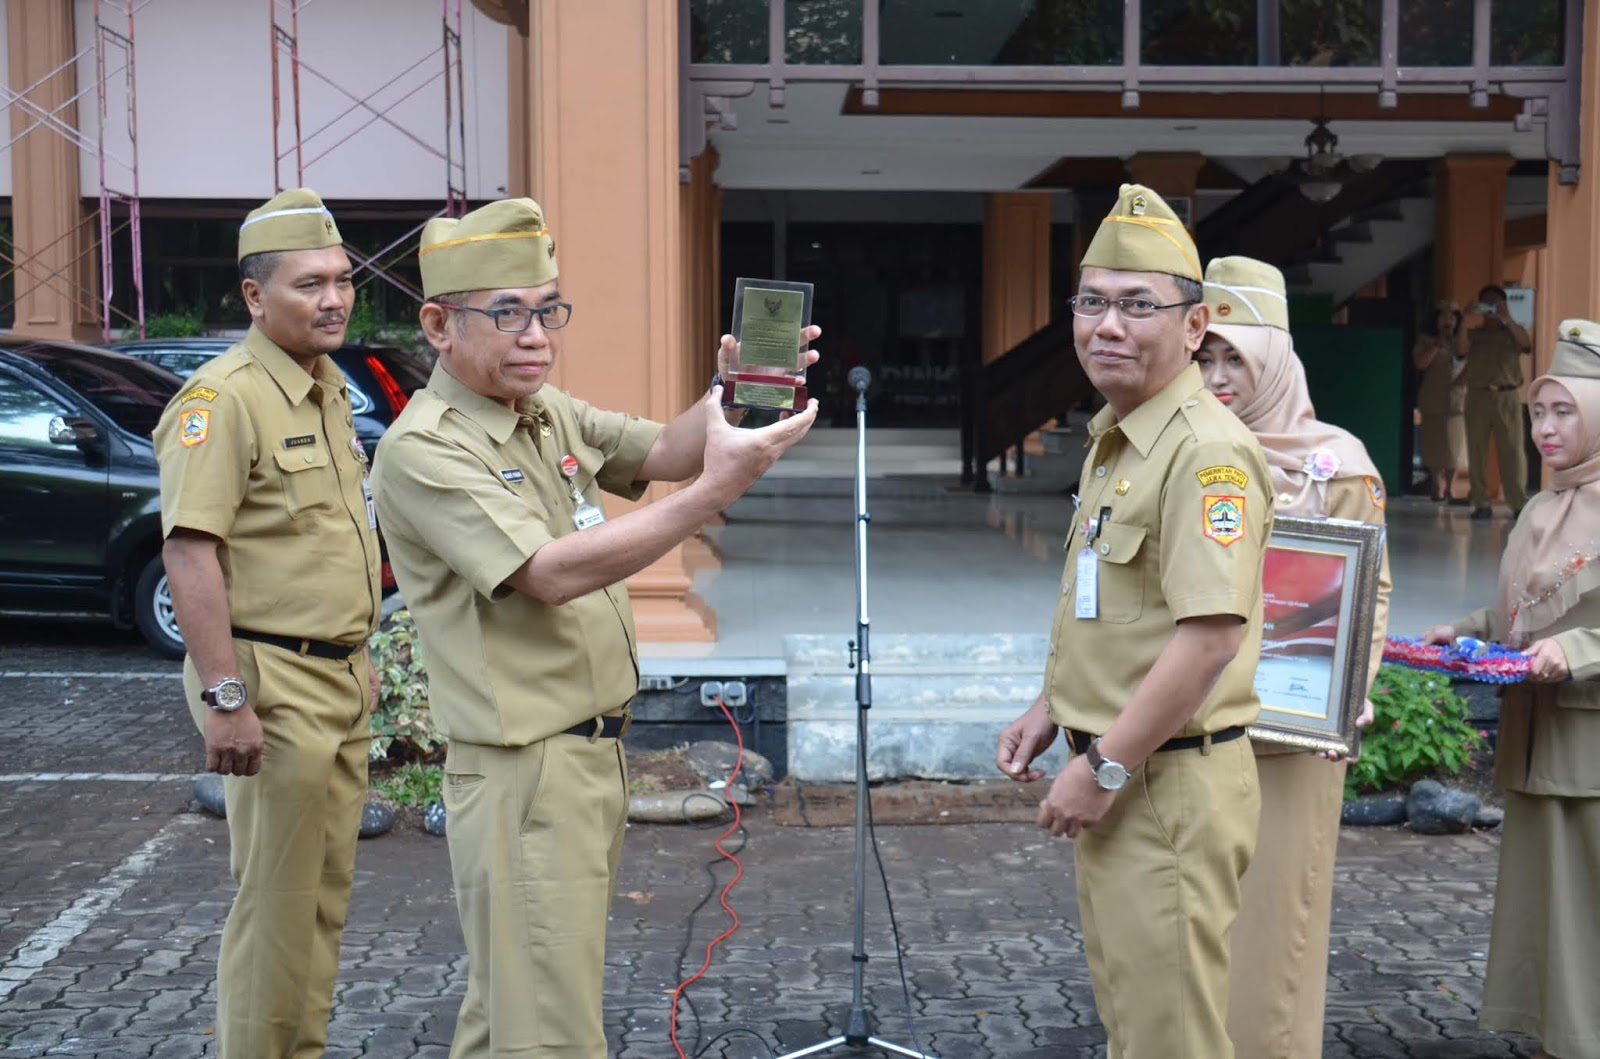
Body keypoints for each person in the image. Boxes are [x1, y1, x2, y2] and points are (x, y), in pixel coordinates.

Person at [369, 198, 819, 1057]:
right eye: (506, 312)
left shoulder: (544, 412)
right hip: (525, 772)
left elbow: (664, 452)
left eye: (547, 308)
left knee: (512, 1009)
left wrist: (731, 393)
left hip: (585, 761)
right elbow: (549, 572)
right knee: (550, 1028)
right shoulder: (427, 447)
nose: (536, 334)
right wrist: (714, 494)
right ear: (438, 323)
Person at [995, 185, 1272, 1058]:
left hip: (1163, 788)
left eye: (1137, 306)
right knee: (1136, 1025)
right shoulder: (1119, 435)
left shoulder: (1206, 450)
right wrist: (1055, 703)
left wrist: (1102, 767)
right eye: (1091, 302)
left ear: (1194, 328)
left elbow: (1208, 643)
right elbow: (1117, 603)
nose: (1106, 325)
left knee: (1171, 1038)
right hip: (1129, 773)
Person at [153, 188, 382, 1056]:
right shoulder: (224, 399)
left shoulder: (325, 390)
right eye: (308, 284)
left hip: (332, 675)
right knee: (277, 910)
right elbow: (189, 554)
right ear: (254, 296)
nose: (333, 298)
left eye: (342, 279)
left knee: (321, 902)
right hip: (268, 682)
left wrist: (355, 651)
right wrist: (225, 695)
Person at [1195, 256, 1391, 1059]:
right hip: (1193, 722)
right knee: (1195, 919)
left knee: (1276, 928)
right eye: (1203, 356)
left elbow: (1368, 595)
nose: (1215, 376)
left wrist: (1354, 683)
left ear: (1273, 357)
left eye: (1232, 358)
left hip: (1292, 733)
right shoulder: (1187, 449)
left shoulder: (1339, 463)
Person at [1424, 319, 1600, 1059]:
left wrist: (1577, 648)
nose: (1545, 430)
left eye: (1566, 412)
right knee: (1548, 911)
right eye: (1538, 413)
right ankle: (1564, 1038)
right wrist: (1460, 632)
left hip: (1591, 750)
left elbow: (1567, 630)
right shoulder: (1537, 508)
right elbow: (1516, 618)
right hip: (1536, 744)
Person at [1464, 284, 1533, 519]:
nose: (1491, 308)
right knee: (1476, 450)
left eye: (1496, 303)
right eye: (1487, 303)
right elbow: (1459, 350)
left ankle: (1518, 503)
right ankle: (1481, 502)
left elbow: (1526, 345)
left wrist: (1507, 318)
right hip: (1477, 395)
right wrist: (1464, 319)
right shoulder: (1473, 333)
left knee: (1512, 450)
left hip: (1507, 395)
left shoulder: (1512, 331)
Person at [1415, 299, 1469, 502]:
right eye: (1443, 316)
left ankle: (1451, 486)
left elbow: (1465, 356)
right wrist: (1437, 343)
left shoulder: (1463, 339)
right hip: (1433, 398)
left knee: (1455, 445)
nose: (1448, 320)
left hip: (1457, 400)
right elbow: (1421, 363)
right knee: (1434, 443)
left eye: (1453, 316)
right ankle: (1435, 484)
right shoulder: (1426, 340)